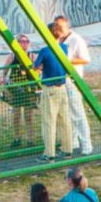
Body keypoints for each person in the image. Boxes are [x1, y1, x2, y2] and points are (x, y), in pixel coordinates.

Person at [24, 31, 76, 159]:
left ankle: (49, 153)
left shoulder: (45, 51)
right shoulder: (64, 48)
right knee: (64, 119)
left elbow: (35, 67)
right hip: (62, 87)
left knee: (49, 121)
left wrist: (35, 66)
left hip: (50, 88)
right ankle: (67, 149)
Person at [52, 16, 94, 157]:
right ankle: (73, 141)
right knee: (66, 113)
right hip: (61, 81)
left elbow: (85, 59)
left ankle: (86, 145)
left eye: (61, 27)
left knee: (78, 113)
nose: (59, 30)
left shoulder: (76, 40)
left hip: (73, 80)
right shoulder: (57, 40)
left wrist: (68, 61)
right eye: (56, 27)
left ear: (67, 26)